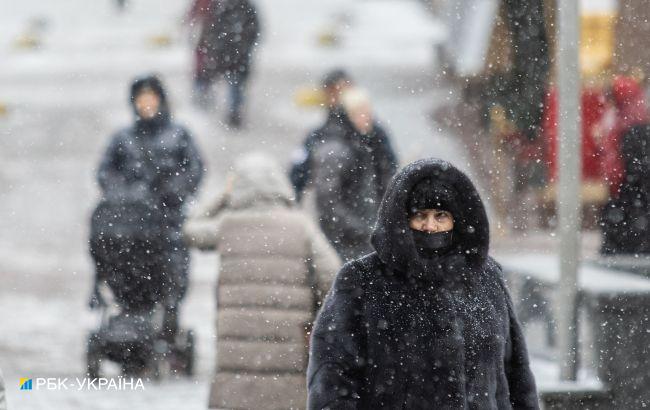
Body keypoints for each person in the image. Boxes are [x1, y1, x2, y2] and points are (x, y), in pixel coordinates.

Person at [308, 158, 539, 409]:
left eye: (441, 215)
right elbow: (333, 376)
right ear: (402, 219)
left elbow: (516, 375)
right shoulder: (363, 280)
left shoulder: (486, 276)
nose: (430, 226)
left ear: (457, 220)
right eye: (420, 216)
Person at [183, 153, 340, 410]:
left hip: (236, 344)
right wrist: (317, 315)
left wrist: (224, 195)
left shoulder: (227, 225)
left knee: (238, 394)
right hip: (288, 339)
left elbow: (191, 229)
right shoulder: (301, 225)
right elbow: (332, 277)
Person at [90, 74, 204, 341]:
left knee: (171, 267)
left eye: (151, 98)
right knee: (121, 261)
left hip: (168, 220)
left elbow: (194, 170)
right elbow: (105, 172)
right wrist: (127, 193)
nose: (146, 104)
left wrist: (172, 190)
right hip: (130, 220)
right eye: (141, 99)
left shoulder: (179, 135)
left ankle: (168, 316)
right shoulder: (123, 138)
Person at [311, 88, 398, 262]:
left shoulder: (366, 140)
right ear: (346, 114)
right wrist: (359, 228)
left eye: (368, 112)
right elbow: (328, 202)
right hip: (344, 239)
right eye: (360, 113)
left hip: (362, 235)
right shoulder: (336, 149)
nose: (367, 118)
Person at [189, 0, 260, 127]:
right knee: (231, 84)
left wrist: (242, 46)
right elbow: (211, 30)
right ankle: (220, 110)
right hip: (225, 56)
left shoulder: (243, 7)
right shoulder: (220, 6)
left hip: (235, 57)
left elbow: (255, 30)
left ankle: (233, 113)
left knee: (236, 86)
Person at [289, 69, 354, 202]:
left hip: (362, 208)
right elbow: (298, 172)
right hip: (334, 208)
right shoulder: (318, 133)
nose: (338, 97)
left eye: (342, 91)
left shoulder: (369, 130)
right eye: (333, 92)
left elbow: (387, 168)